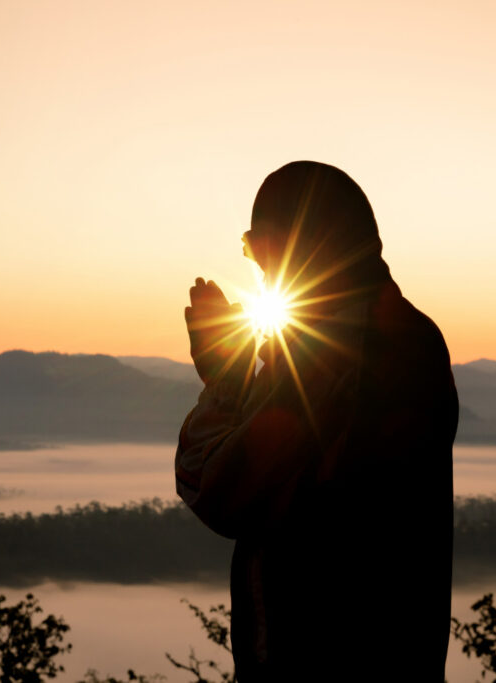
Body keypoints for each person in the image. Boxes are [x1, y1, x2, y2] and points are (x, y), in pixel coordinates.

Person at [175, 161, 458, 680]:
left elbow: (223, 489)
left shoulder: (343, 354)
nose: (260, 269)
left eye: (260, 249)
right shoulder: (396, 335)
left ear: (299, 246)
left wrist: (224, 380)